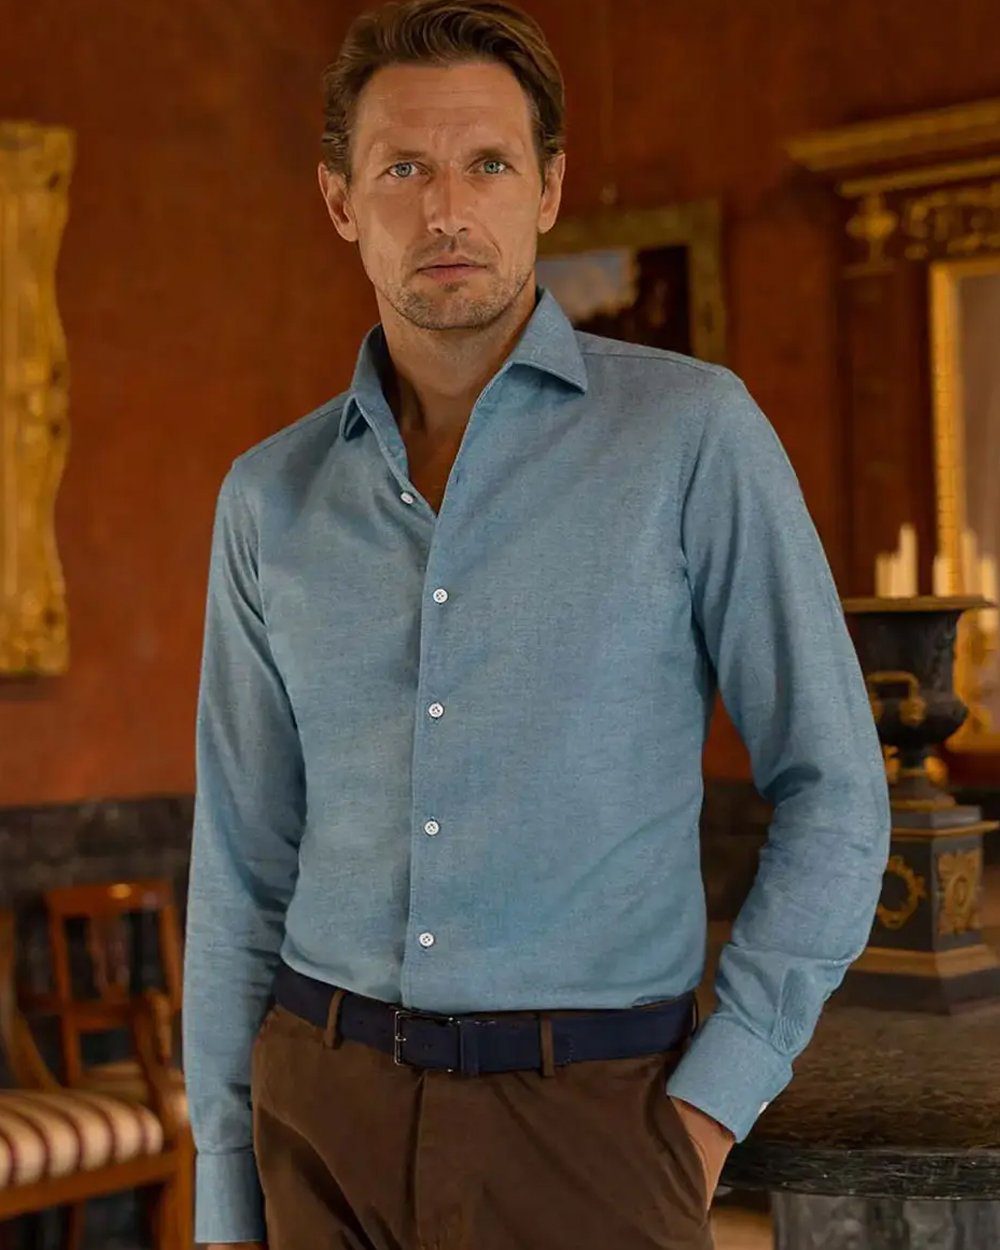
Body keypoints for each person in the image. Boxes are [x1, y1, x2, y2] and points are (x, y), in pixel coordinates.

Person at [181, 1, 891, 1247]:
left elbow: (837, 788)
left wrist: (710, 1106)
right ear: (340, 199)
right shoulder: (268, 497)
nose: (446, 209)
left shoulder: (691, 436)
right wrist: (229, 1186)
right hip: (319, 1121)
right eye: (403, 168)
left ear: (549, 188)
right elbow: (240, 858)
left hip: (595, 1128)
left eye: (488, 164)